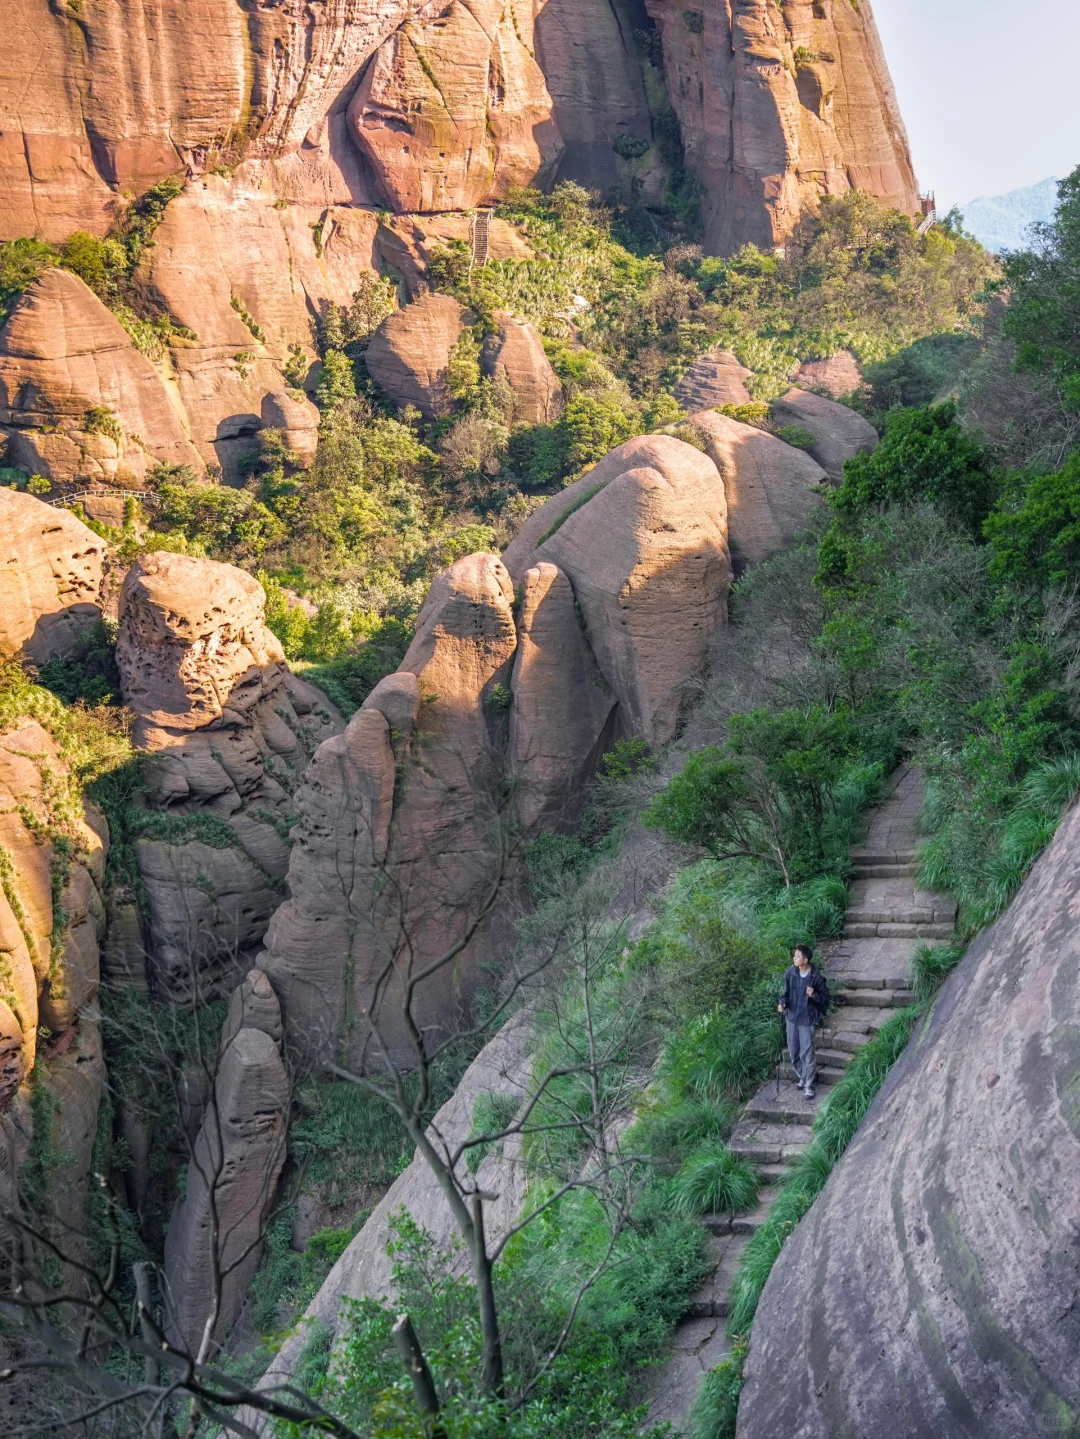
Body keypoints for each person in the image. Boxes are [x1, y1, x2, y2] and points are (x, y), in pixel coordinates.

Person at [777, 942, 830, 1101]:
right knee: (793, 1052)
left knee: (807, 1053)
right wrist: (782, 1003)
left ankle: (809, 1085)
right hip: (792, 1017)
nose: (794, 958)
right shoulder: (790, 974)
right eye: (795, 956)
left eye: (797, 956)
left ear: (805, 960)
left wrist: (814, 994)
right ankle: (804, 1075)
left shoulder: (816, 977)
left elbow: (825, 999)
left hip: (807, 1019)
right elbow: (785, 993)